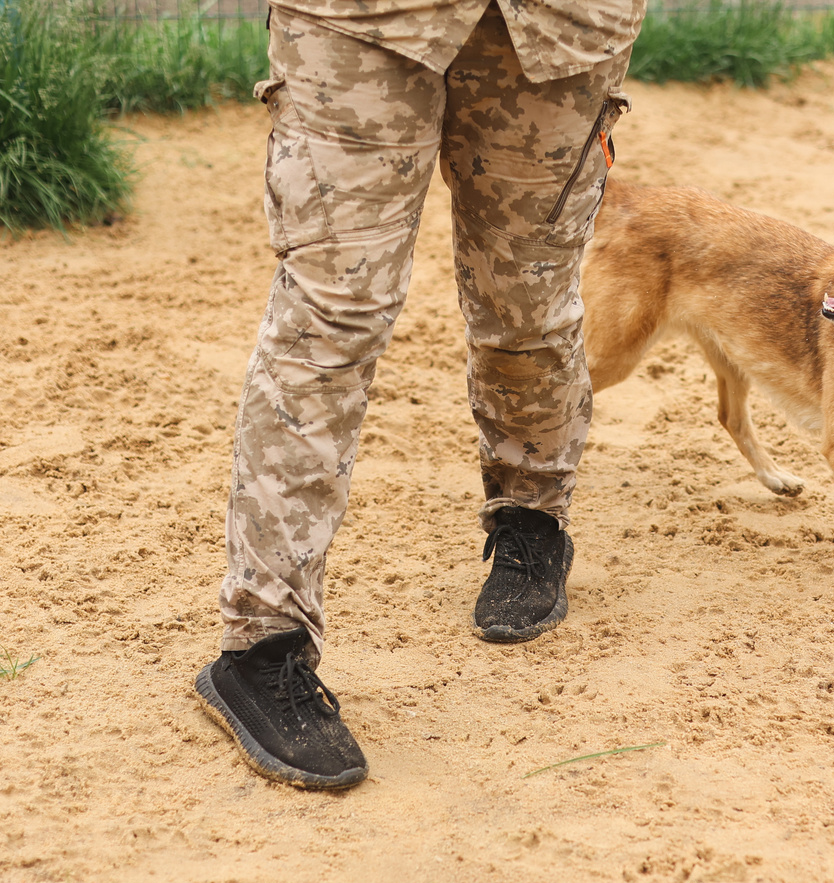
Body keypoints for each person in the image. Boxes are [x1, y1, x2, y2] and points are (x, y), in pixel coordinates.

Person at [194, 0, 646, 790]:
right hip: (359, 20)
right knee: (328, 321)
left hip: (561, 24)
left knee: (528, 310)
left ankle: (533, 519)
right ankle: (263, 642)